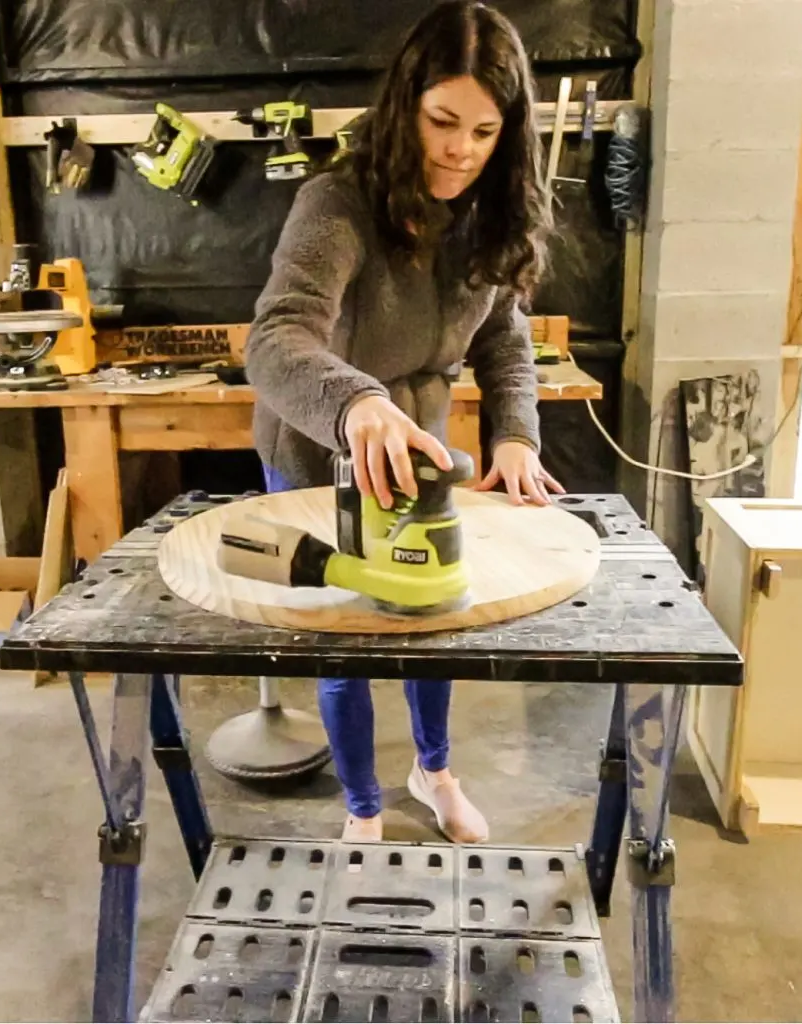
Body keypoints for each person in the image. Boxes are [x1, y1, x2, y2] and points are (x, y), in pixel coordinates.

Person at [244, 0, 564, 844]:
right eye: (442, 121)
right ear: (404, 108)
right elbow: (277, 338)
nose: (460, 149)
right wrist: (356, 403)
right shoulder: (337, 203)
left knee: (431, 619)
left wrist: (514, 436)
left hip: (421, 453)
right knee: (344, 637)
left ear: (509, 132)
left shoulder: (487, 211)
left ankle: (433, 771)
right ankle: (360, 808)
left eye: (485, 130)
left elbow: (503, 340)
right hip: (319, 451)